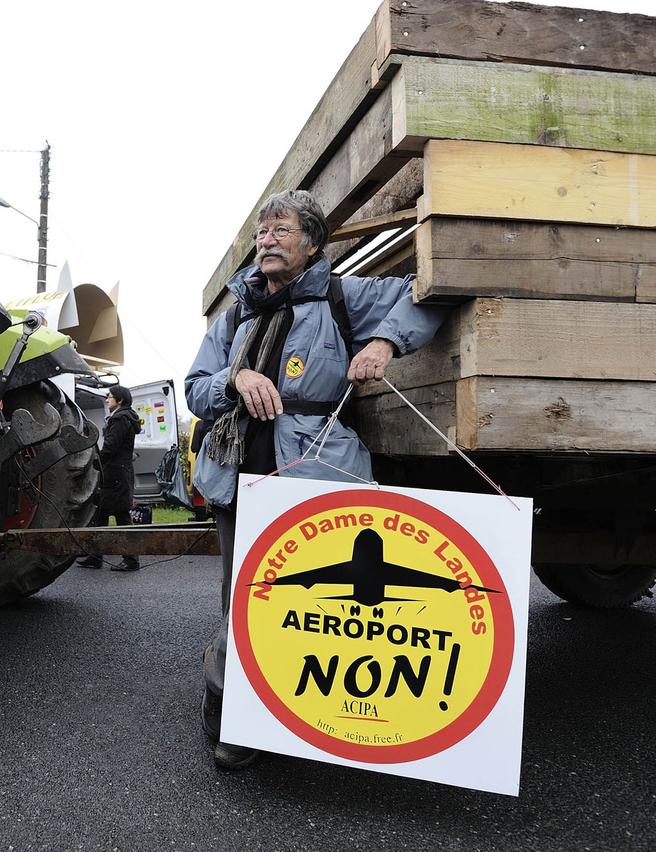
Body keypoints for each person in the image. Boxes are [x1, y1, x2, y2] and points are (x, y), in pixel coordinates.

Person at [184, 189, 447, 770]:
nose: (267, 241)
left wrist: (383, 340)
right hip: (236, 471)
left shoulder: (341, 295)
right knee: (243, 596)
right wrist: (234, 381)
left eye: (281, 231)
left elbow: (424, 295)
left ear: (312, 243)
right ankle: (232, 714)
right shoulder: (237, 314)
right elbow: (195, 386)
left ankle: (319, 717)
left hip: (315, 471)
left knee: (316, 599)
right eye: (261, 233)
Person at [78, 385, 143, 572]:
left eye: (110, 396)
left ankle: (131, 560)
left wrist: (95, 463)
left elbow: (111, 446)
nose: (107, 399)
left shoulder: (121, 418)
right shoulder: (123, 417)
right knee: (102, 515)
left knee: (122, 516)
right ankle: (95, 556)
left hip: (116, 473)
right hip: (117, 472)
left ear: (120, 400)